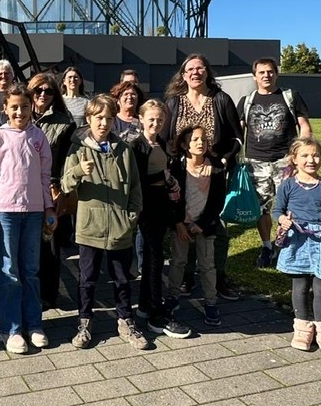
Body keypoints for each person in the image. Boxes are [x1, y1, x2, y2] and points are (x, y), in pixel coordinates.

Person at [61, 94, 147, 351]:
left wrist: (130, 218)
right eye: (99, 118)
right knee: (87, 278)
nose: (104, 123)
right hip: (90, 227)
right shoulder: (78, 148)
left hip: (119, 228)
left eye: (109, 118)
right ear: (89, 119)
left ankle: (125, 320)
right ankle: (85, 322)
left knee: (122, 278)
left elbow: (135, 190)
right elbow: (65, 184)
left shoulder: (123, 149)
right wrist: (78, 171)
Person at [163, 54, 243, 300]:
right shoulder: (174, 103)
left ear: (207, 72)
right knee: (184, 223)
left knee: (215, 226)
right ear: (183, 74)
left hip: (213, 173)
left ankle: (218, 276)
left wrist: (223, 159)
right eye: (190, 69)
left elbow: (237, 138)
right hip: (183, 173)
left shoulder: (220, 100)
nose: (195, 72)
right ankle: (187, 276)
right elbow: (165, 139)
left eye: (200, 68)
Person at [0, 83, 54, 354]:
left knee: (31, 271)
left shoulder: (38, 136)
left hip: (34, 211)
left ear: (31, 107)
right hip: (7, 212)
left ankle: (34, 324)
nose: (20, 111)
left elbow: (45, 175)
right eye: (14, 107)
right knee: (9, 271)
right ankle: (10, 329)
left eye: (24, 106)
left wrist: (48, 208)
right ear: (5, 108)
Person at [273, 136, 321, 354]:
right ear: (294, 159)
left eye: (315, 155)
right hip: (298, 241)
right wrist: (282, 220)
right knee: (300, 287)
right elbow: (277, 210)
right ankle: (302, 329)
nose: (311, 160)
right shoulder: (287, 186)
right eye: (304, 155)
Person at [238, 58, 312, 267]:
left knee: (289, 207)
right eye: (261, 72)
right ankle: (266, 246)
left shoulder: (290, 97)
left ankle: (283, 244)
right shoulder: (247, 101)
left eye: (270, 72)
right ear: (254, 76)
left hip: (285, 162)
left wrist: (301, 155)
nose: (266, 75)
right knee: (261, 209)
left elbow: (304, 126)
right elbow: (237, 130)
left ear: (276, 74)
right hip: (256, 162)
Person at [132, 99, 192, 338]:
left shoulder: (161, 144)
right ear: (141, 119)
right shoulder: (136, 146)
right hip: (146, 208)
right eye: (151, 119)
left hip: (161, 206)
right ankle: (156, 314)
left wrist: (169, 181)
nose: (155, 123)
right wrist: (164, 178)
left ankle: (146, 304)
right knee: (154, 259)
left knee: (153, 258)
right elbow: (136, 181)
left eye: (159, 119)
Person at [167, 125, 226, 327]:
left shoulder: (216, 167)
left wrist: (202, 224)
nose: (200, 143)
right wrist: (179, 223)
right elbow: (172, 199)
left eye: (203, 139)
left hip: (205, 225)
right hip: (181, 225)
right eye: (194, 140)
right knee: (178, 262)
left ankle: (211, 303)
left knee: (207, 265)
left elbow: (218, 200)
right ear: (184, 145)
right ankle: (172, 298)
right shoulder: (176, 166)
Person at [28, 71, 76, 309]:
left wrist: (63, 191)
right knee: (27, 245)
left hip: (51, 189)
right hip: (23, 190)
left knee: (50, 246)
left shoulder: (65, 124)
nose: (43, 95)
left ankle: (48, 295)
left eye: (48, 91)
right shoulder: (20, 117)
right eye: (38, 90)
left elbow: (69, 161)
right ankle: (28, 291)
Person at [110, 79, 144, 145]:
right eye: (126, 94)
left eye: (133, 94)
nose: (129, 97)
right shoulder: (111, 120)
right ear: (117, 100)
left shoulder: (143, 121)